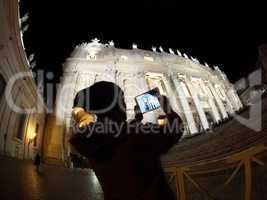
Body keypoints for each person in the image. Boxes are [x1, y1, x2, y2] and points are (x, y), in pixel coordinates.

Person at [70, 81, 183, 200]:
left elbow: (116, 136)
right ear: (115, 106)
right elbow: (176, 129)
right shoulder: (138, 134)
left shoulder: (91, 139)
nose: (125, 105)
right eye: (122, 101)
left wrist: (136, 120)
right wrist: (168, 108)